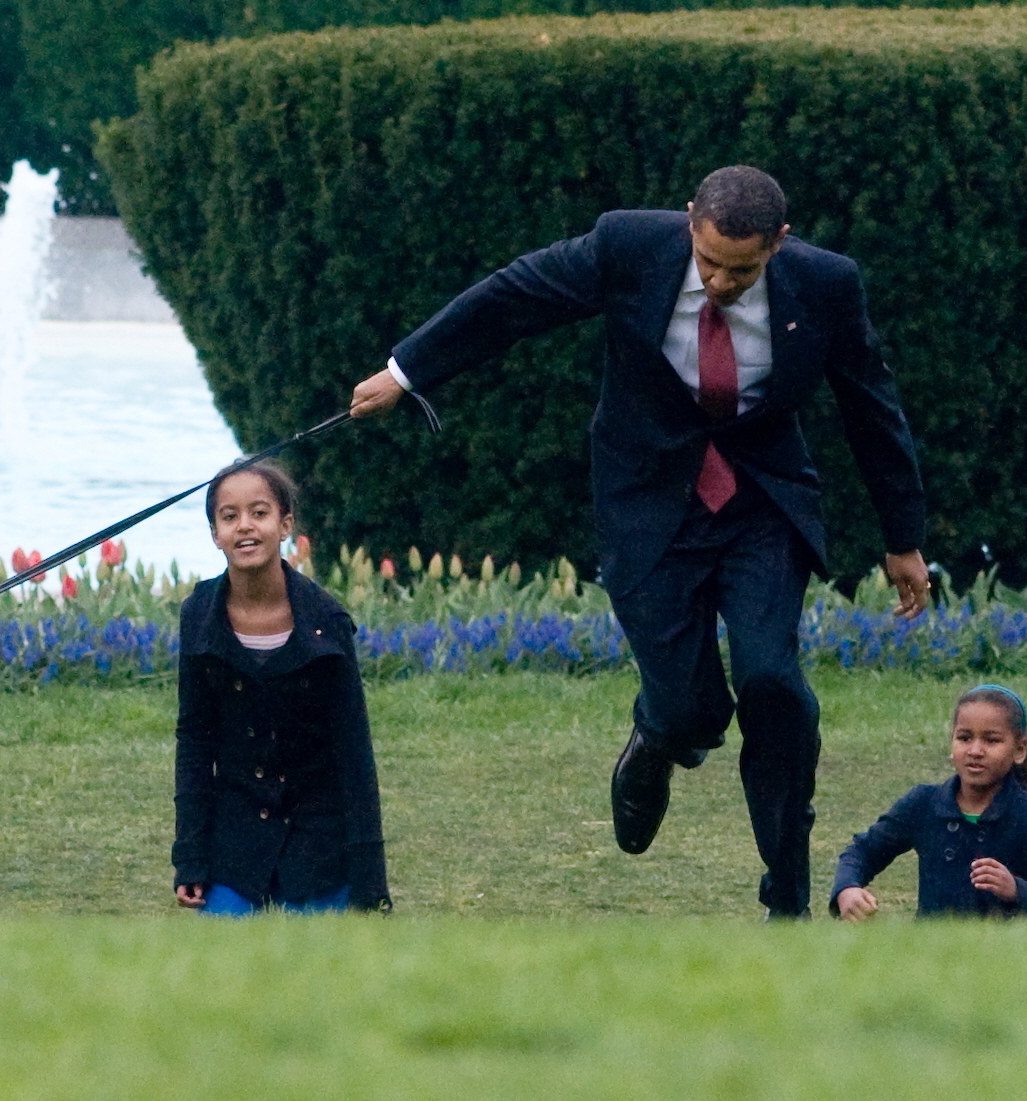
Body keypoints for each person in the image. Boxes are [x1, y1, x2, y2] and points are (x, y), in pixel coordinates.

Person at [349, 165, 929, 917]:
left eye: (742, 269)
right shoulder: (628, 245)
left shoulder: (824, 284)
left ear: (779, 245)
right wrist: (406, 370)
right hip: (647, 505)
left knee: (773, 685)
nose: (720, 282)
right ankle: (657, 737)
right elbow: (514, 297)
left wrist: (902, 538)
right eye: (709, 260)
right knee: (692, 712)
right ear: (690, 220)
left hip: (760, 505)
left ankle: (785, 889)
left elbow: (869, 403)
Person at [171, 459, 391, 915]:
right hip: (235, 841)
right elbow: (195, 742)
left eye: (259, 513)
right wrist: (190, 859)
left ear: (285, 524)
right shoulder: (198, 615)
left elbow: (354, 752)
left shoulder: (327, 622)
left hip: (318, 839)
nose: (244, 527)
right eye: (228, 517)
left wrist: (370, 882)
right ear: (214, 533)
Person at [831, 684, 1027, 920]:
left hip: (1007, 960)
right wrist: (847, 889)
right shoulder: (923, 803)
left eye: (991, 740)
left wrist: (1016, 889)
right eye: (964, 738)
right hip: (931, 958)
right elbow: (861, 852)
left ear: (1019, 750)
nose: (975, 750)